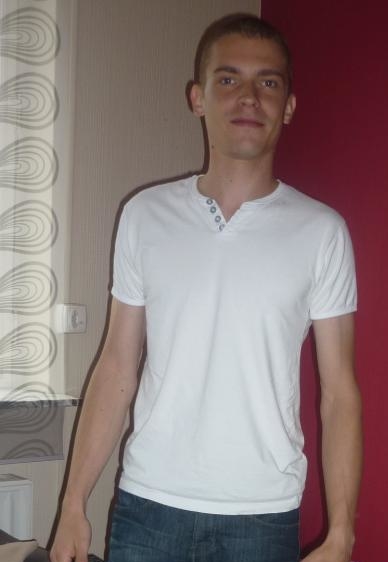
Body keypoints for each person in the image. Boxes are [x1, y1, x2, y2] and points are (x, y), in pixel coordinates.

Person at [50, 13, 362, 562]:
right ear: (198, 97)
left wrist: (342, 532)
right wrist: (74, 502)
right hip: (149, 506)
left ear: (288, 105)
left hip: (262, 515)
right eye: (229, 78)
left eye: (268, 82)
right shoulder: (145, 215)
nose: (249, 97)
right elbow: (117, 365)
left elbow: (339, 393)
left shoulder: (322, 232)